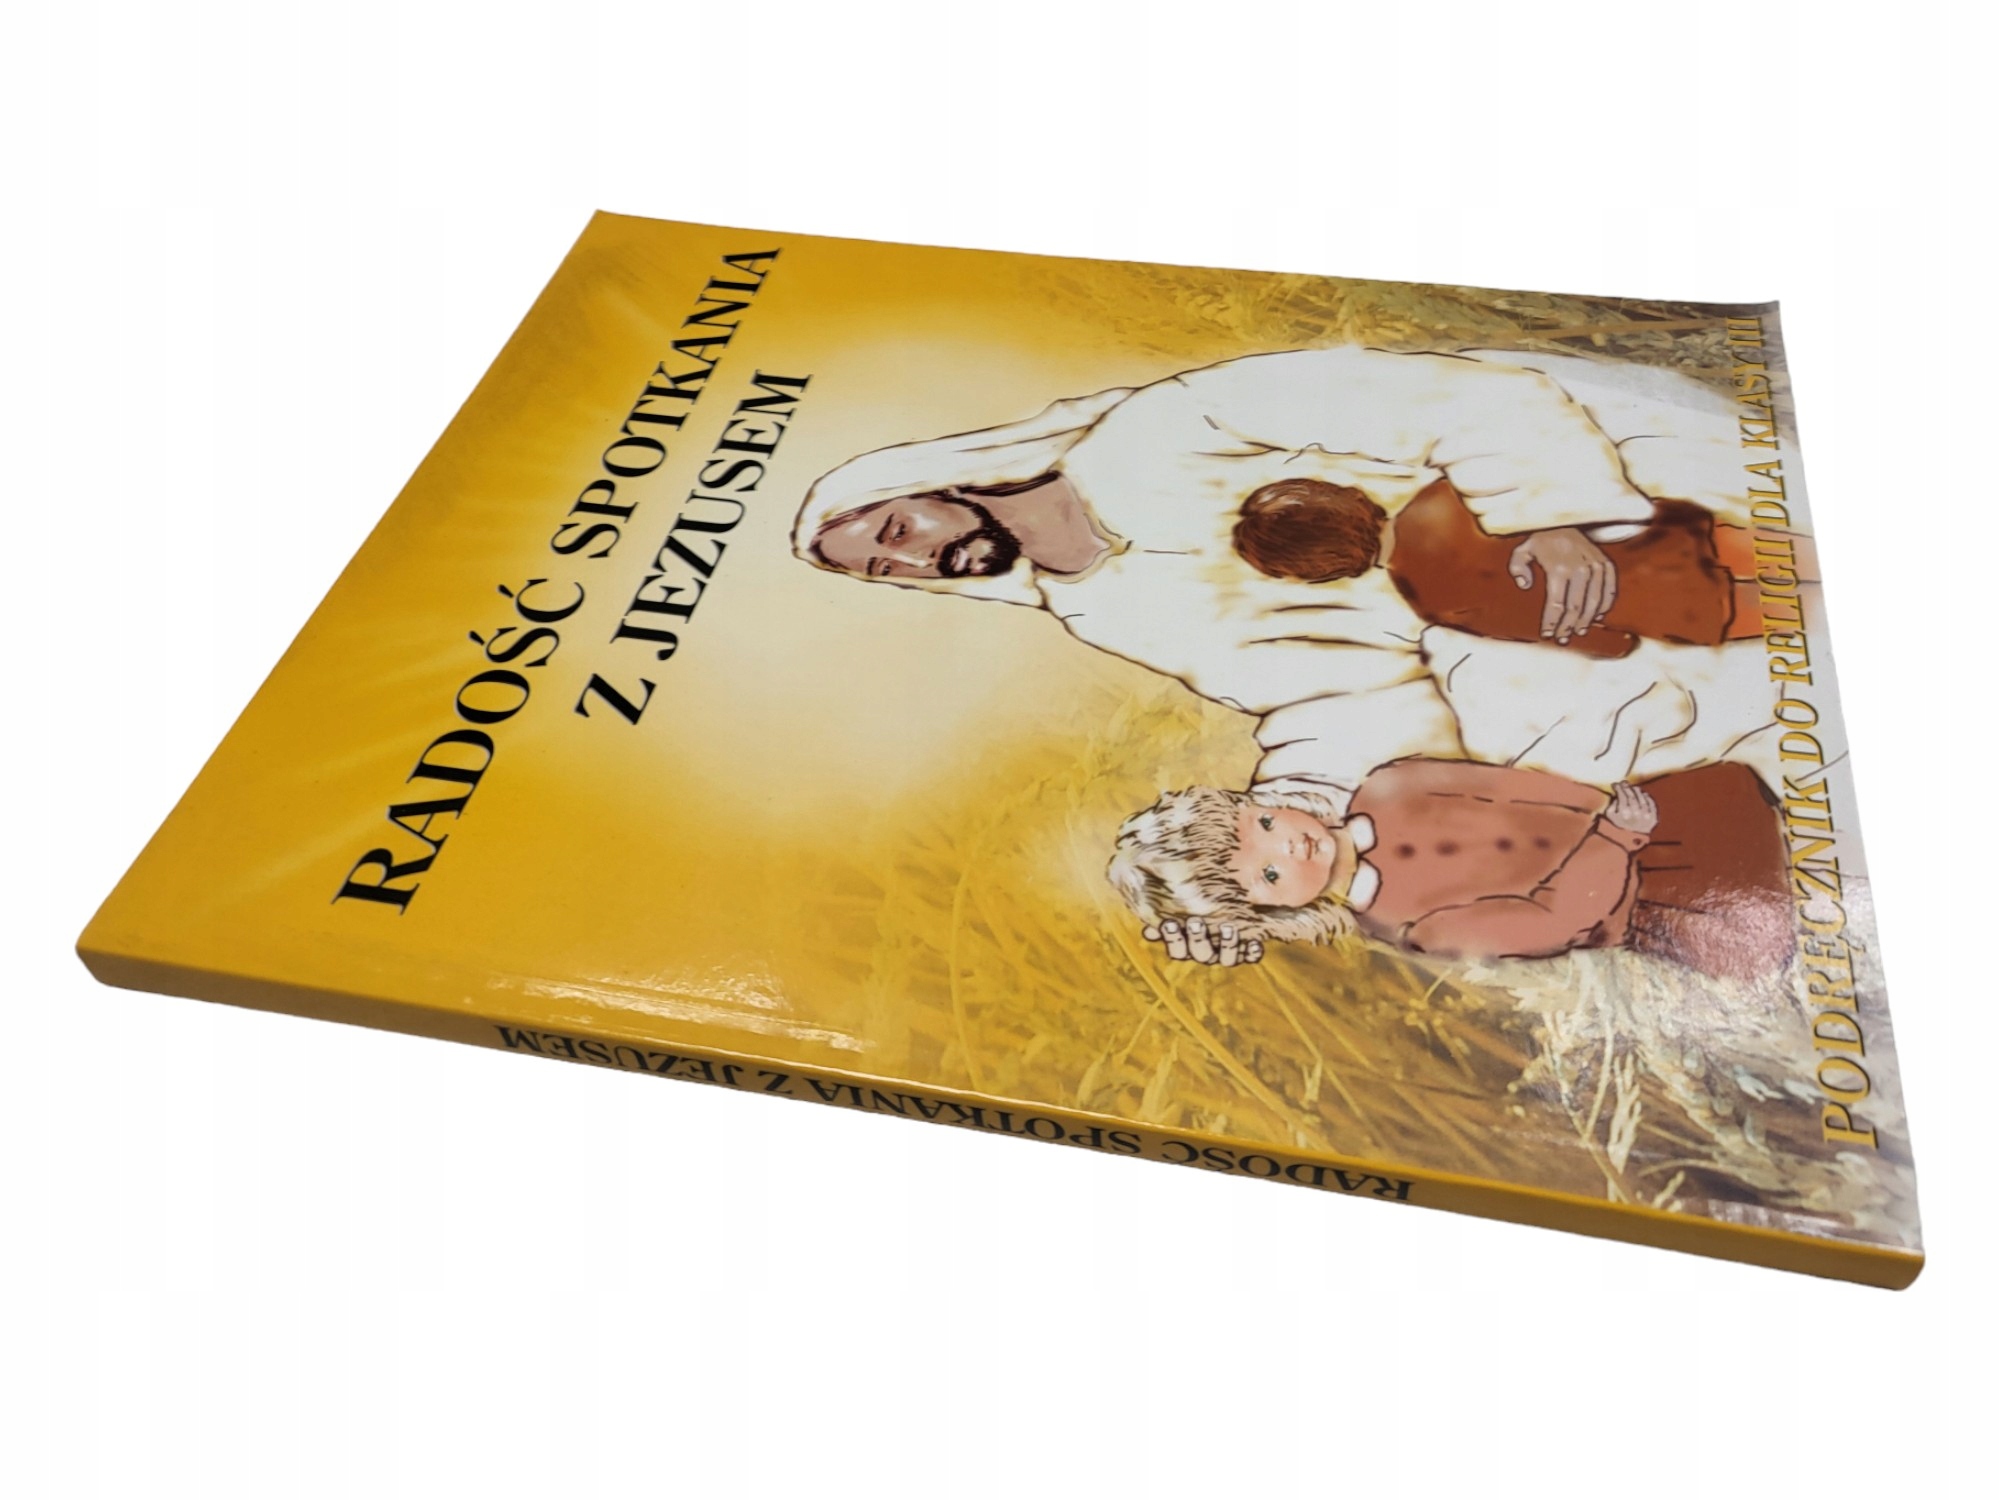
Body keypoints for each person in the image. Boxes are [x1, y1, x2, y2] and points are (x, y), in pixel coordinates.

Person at [795, 346, 1789, 808]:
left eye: (897, 526)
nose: (914, 557)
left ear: (936, 482)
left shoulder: (1160, 428)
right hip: (1542, 648)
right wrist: (1305, 796)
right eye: (886, 568)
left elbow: (1453, 401)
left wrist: (1549, 518)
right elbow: (1332, 690)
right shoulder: (1103, 612)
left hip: (1588, 511)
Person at [1104, 759, 1796, 982]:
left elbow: (1518, 787)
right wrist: (1615, 838)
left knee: (1776, 811)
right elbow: (1551, 922)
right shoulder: (1410, 925)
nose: (1290, 848)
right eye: (1270, 878)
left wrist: (1604, 811)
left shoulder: (1388, 785)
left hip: (1654, 812)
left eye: (1262, 826)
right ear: (1275, 912)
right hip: (1655, 893)